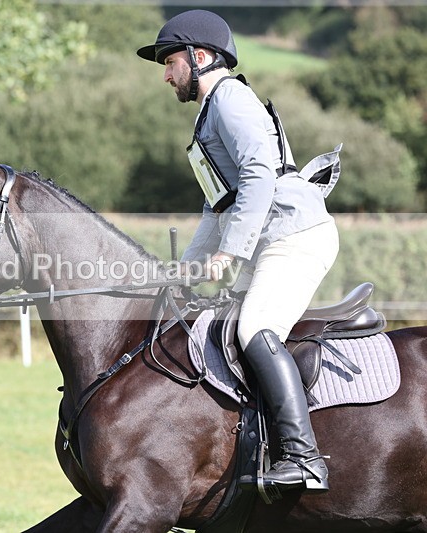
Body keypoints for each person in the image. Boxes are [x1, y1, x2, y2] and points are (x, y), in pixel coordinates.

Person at [137, 10, 340, 494]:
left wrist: (230, 253)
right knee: (219, 330)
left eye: (170, 63)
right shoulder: (210, 116)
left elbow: (258, 176)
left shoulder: (231, 100)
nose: (166, 75)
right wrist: (183, 271)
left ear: (200, 57)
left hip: (296, 235)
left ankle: (304, 458)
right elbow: (217, 206)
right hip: (271, 240)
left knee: (254, 328)